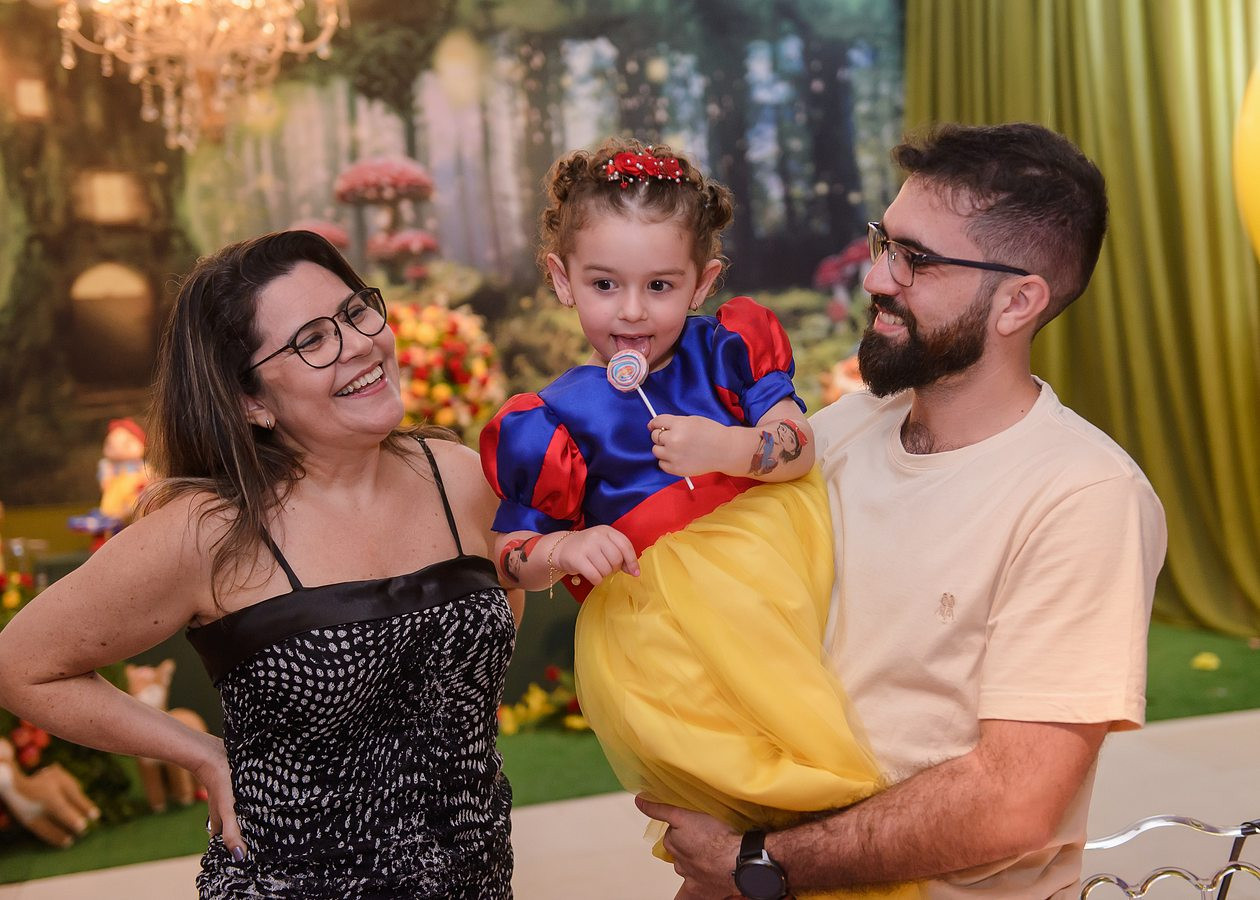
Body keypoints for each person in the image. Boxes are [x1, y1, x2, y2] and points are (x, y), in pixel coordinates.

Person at [637, 121, 1168, 899]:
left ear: (1018, 301)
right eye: (884, 241)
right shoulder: (839, 432)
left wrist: (758, 862)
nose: (877, 278)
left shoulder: (1084, 497)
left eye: (916, 259)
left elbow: (1013, 802)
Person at [0, 230, 522, 898]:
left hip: (478, 877)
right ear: (251, 401)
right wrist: (199, 752)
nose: (359, 344)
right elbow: (22, 665)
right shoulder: (211, 530)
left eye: (356, 312)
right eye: (312, 340)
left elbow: (502, 596)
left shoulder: (462, 476)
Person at [479, 138, 915, 900]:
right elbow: (508, 551)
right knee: (730, 780)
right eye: (604, 284)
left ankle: (828, 845)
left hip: (767, 563)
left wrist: (732, 448)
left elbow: (797, 445)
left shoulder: (728, 351)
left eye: (660, 285)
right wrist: (565, 551)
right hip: (658, 620)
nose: (632, 310)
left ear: (703, 282)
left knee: (808, 731)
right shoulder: (552, 417)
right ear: (561, 279)